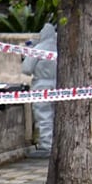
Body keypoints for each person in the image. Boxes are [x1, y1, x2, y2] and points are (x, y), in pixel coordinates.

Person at [21, 22, 57, 157]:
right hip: (59, 86)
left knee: (44, 116)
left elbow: (26, 69)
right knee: (55, 116)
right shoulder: (60, 48)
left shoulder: (39, 48)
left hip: (42, 85)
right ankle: (56, 144)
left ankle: (46, 146)